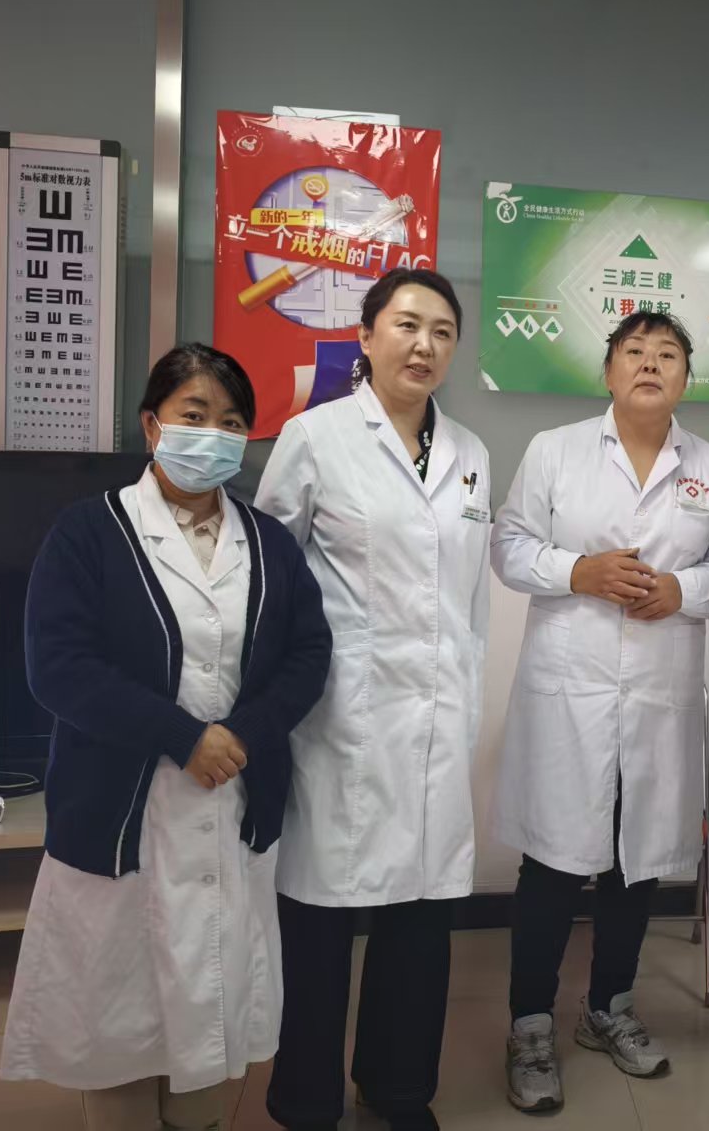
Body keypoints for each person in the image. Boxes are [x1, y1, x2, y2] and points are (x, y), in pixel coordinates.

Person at [2, 344, 332, 1131]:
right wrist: (183, 737)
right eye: (194, 414)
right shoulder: (89, 531)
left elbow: (308, 651)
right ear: (153, 425)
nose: (213, 433)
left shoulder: (269, 542)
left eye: (232, 421)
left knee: (211, 1021)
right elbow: (59, 667)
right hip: (121, 819)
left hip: (232, 803)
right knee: (116, 1026)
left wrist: (242, 734)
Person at [255, 269, 491, 1131]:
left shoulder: (471, 453)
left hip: (437, 716)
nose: (424, 345)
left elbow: (470, 597)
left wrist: (467, 684)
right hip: (342, 718)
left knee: (421, 918)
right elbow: (271, 578)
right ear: (365, 336)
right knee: (321, 919)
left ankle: (397, 1089)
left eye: (442, 331)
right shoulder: (315, 436)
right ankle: (304, 1098)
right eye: (406, 324)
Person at [491, 311, 709, 1112]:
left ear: (687, 377)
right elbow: (508, 544)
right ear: (608, 371)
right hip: (571, 691)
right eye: (634, 351)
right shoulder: (555, 450)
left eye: (667, 354)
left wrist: (683, 588)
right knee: (554, 861)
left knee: (637, 860)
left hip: (660, 692)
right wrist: (578, 571)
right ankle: (530, 1024)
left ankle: (610, 1008)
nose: (650, 364)